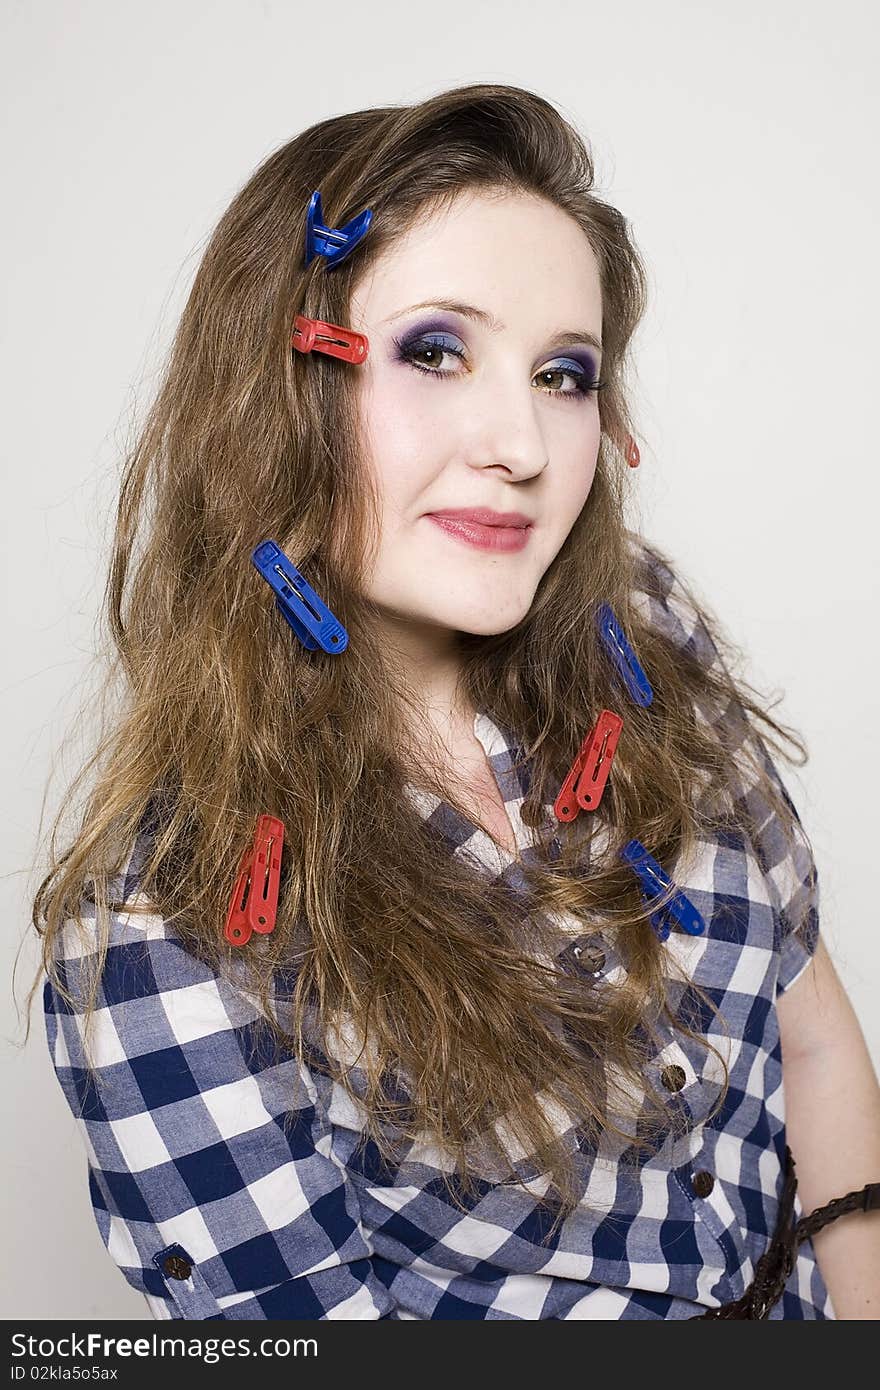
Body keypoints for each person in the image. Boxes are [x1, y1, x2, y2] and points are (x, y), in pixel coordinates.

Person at [28, 82, 880, 1320]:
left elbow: (809, 1037)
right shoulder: (156, 939)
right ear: (274, 398)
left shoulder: (642, 628)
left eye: (563, 373)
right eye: (436, 350)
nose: (522, 444)